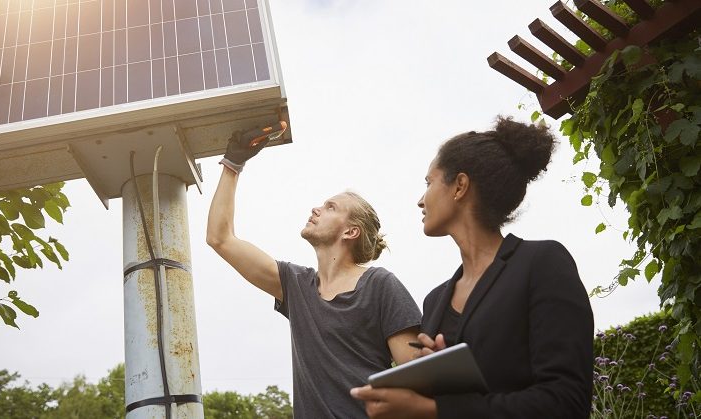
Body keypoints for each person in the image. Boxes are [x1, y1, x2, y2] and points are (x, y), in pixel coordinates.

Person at [351, 117, 594, 418]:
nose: (420, 200)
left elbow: (566, 402)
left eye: (429, 183)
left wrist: (433, 409)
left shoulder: (542, 263)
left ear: (460, 186)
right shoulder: (434, 301)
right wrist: (436, 385)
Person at [206, 129, 422, 418]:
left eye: (330, 207)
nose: (316, 208)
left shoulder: (380, 285)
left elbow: (416, 383)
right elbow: (220, 238)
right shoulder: (296, 286)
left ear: (350, 231)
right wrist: (233, 164)